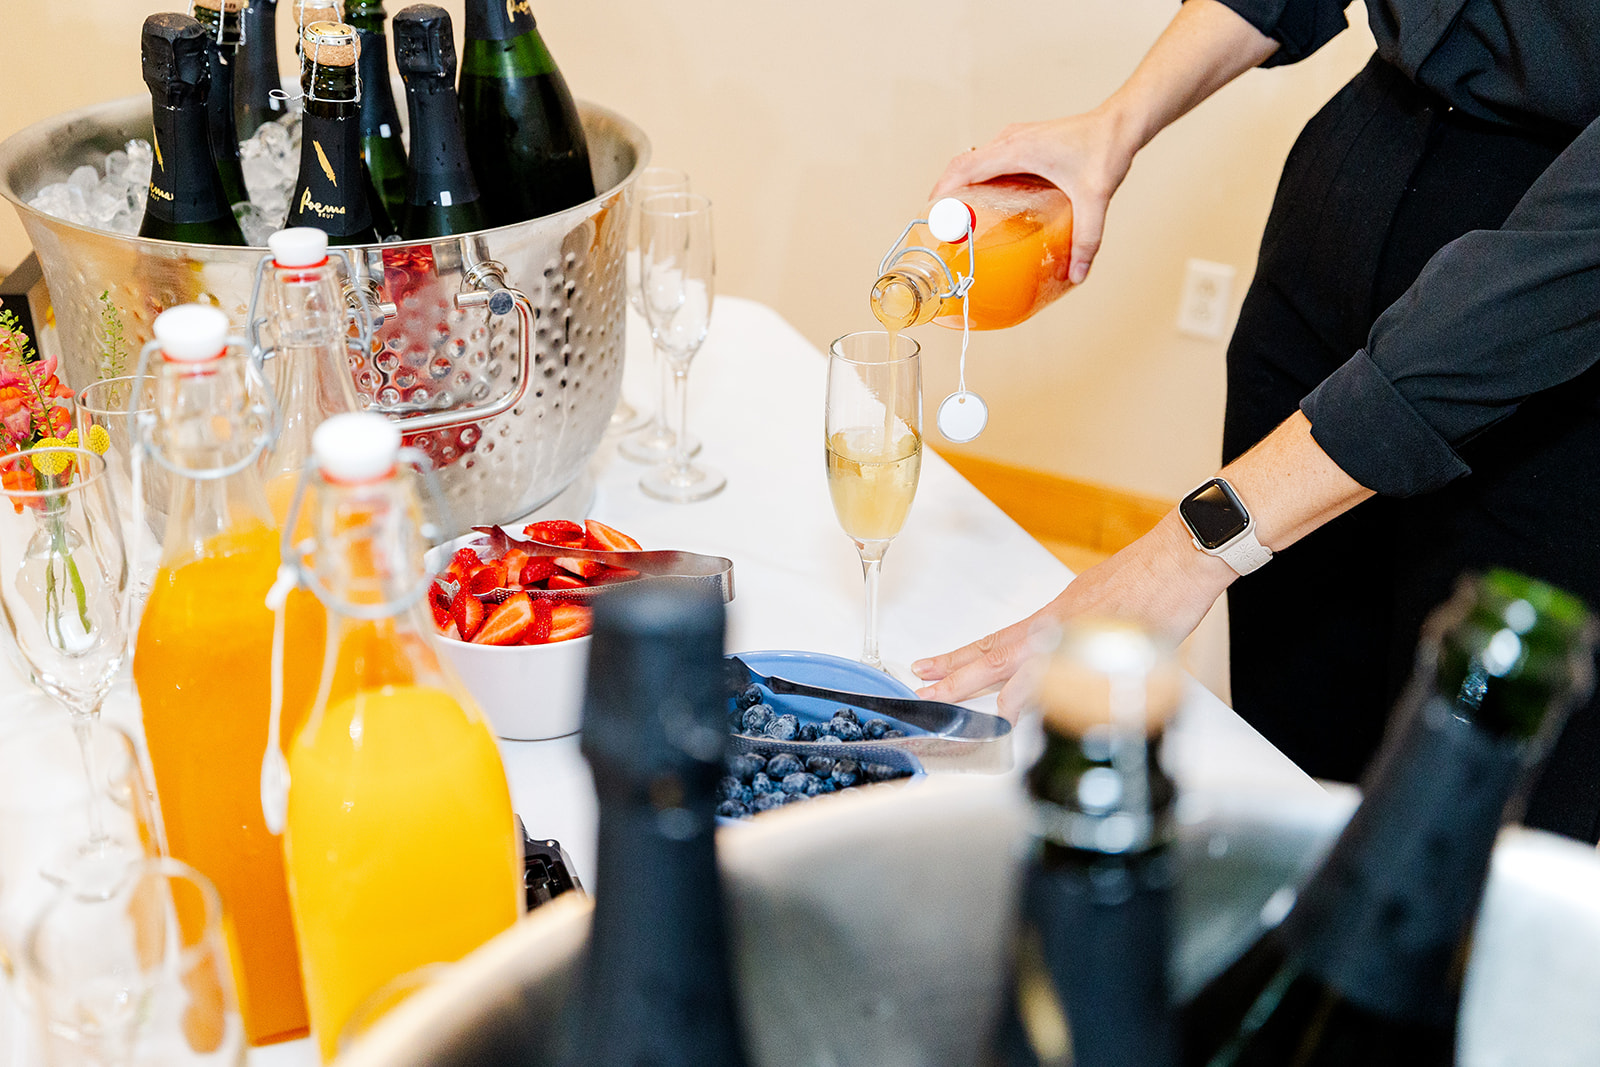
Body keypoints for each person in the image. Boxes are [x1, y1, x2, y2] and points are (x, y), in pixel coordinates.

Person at [910, 0, 1600, 843]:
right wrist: (1114, 125)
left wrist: (1188, 548)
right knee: (1286, 764)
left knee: (1468, 833)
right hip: (1354, 186)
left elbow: (1565, 265)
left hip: (1559, 335)